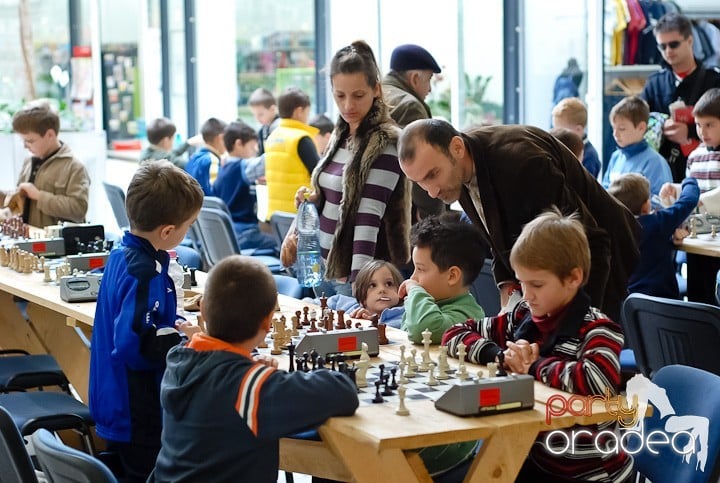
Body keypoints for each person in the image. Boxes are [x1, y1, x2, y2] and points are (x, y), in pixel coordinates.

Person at [442, 209, 633, 483]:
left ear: (573, 279)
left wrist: (533, 366)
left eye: (537, 284)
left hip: (592, 472)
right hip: (534, 460)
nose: (527, 294)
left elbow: (595, 380)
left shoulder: (597, 329)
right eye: (521, 282)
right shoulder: (523, 316)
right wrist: (500, 355)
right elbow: (456, 332)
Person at [398, 118, 640, 322]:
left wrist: (580, 324)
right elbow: (498, 235)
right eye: (420, 182)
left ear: (457, 148)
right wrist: (506, 284)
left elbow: (591, 241)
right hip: (562, 271)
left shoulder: (522, 163)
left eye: (433, 175)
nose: (431, 191)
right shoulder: (459, 169)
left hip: (603, 261)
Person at [149, 255, 359, 482]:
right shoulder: (250, 387)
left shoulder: (179, 358)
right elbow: (343, 393)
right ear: (268, 322)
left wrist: (253, 374)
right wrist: (261, 379)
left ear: (202, 309)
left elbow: (220, 393)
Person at [90, 160, 204, 482]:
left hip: (116, 397)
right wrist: (183, 340)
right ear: (168, 231)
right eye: (189, 225)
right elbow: (135, 342)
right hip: (135, 408)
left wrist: (170, 324)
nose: (188, 231)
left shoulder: (120, 255)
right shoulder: (145, 272)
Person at [285, 40, 411, 297]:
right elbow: (333, 192)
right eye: (339, 96)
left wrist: (360, 286)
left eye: (358, 95)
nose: (348, 106)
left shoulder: (385, 141)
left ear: (376, 89)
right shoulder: (341, 133)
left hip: (356, 275)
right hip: (323, 265)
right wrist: (312, 198)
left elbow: (369, 216)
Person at [640, 11, 720, 183]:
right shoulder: (654, 83)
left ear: (690, 41)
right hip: (661, 172)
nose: (668, 51)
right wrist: (659, 126)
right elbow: (639, 123)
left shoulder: (714, 80)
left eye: (674, 44)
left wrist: (691, 132)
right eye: (662, 46)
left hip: (706, 172)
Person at [660, 87, 720, 304]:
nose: (702, 132)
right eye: (698, 125)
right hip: (697, 240)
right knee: (699, 297)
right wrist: (675, 190)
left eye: (710, 125)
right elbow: (691, 191)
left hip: (717, 242)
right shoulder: (694, 157)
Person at [399, 212, 486, 344]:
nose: (413, 278)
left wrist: (415, 290)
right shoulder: (433, 301)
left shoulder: (467, 317)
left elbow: (422, 330)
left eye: (421, 269)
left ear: (452, 276)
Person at [609, 173, 699, 299]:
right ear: (646, 205)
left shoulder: (613, 228)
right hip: (664, 304)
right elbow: (689, 200)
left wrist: (668, 240)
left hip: (630, 306)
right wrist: (689, 179)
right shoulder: (656, 222)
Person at [383, 43, 446, 220]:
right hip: (400, 213)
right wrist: (432, 215)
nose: (430, 89)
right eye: (429, 80)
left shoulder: (375, 94)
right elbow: (420, 166)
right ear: (415, 78)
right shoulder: (410, 106)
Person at [2, 101, 89, 227]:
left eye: (30, 141)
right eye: (23, 141)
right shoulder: (29, 162)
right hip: (28, 239)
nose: (25, 146)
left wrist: (39, 196)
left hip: (56, 245)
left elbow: (79, 209)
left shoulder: (74, 167)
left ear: (50, 135)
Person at [213, 121, 277, 251]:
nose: (256, 151)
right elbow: (269, 160)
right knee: (283, 244)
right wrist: (280, 143)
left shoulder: (224, 167)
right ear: (238, 144)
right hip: (246, 234)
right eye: (253, 147)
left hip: (231, 233)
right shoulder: (243, 167)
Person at [264, 86, 320, 219]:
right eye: (307, 112)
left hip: (276, 216)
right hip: (299, 215)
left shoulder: (272, 137)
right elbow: (319, 175)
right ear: (299, 111)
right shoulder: (301, 139)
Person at [602, 96, 673, 196]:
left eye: (622, 129)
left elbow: (662, 202)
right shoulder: (616, 157)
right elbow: (604, 191)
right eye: (613, 128)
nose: (615, 134)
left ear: (641, 127)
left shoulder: (655, 163)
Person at [325, 259, 405, 328]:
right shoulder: (350, 305)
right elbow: (317, 304)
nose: (382, 290)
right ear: (362, 296)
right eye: (372, 285)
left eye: (389, 284)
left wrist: (369, 325)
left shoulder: (405, 319)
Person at [551, 97, 601, 177]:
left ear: (578, 129)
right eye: (554, 128)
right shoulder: (559, 147)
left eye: (560, 129)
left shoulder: (589, 156)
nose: (555, 133)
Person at [185, 117, 227, 196]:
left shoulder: (193, 157)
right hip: (208, 207)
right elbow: (216, 192)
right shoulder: (213, 160)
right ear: (220, 138)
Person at [248, 87, 280, 155]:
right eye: (254, 115)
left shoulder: (281, 127)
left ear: (272, 109)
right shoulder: (262, 131)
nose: (257, 118)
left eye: (260, 114)